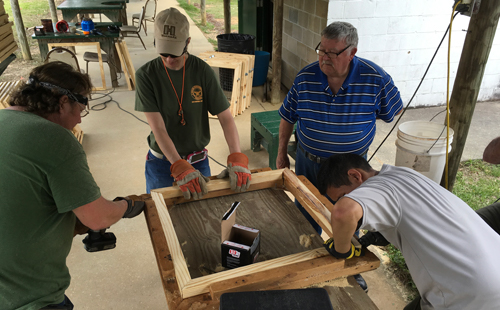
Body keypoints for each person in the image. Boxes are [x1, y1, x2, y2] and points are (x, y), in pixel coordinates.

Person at [0, 62, 145, 310]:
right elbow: (97, 218)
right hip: (30, 297)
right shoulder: (54, 138)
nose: (79, 119)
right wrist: (125, 205)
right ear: (62, 101)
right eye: (79, 108)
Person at [276, 21, 403, 290]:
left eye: (333, 53)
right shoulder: (305, 77)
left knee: (349, 218)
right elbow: (287, 117)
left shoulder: (375, 78)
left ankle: (348, 266)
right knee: (305, 212)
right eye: (322, 49)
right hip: (310, 162)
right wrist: (281, 155)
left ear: (351, 52)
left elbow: (391, 112)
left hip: (349, 171)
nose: (324, 57)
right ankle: (304, 264)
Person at [317, 154, 500, 310]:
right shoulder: (403, 174)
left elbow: (343, 213)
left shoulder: (376, 188)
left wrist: (342, 249)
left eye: (342, 195)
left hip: (469, 294)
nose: (343, 200)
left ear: (355, 175)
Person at [135, 7, 251, 199]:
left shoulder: (202, 71)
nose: (169, 59)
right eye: (164, 53)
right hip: (162, 164)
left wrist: (237, 157)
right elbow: (159, 129)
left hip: (197, 161)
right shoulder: (146, 75)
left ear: (187, 42)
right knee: (162, 216)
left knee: (202, 218)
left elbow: (225, 118)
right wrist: (179, 166)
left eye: (174, 53)